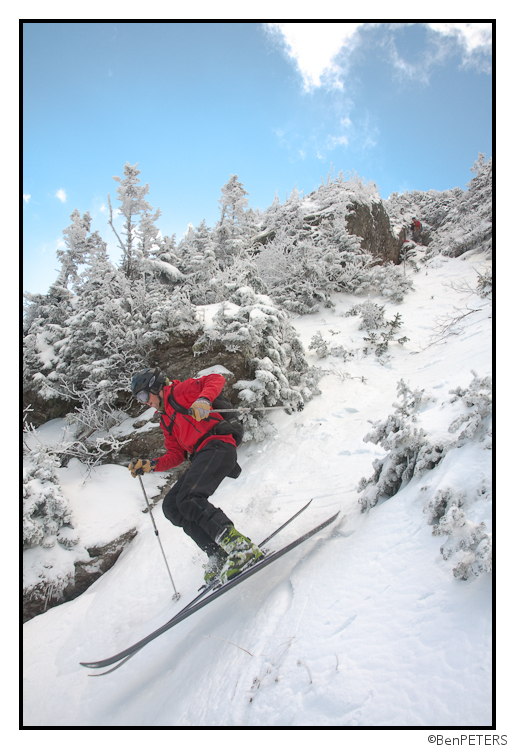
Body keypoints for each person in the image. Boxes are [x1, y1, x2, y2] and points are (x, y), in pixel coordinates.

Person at [128, 366, 262, 584]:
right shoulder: (165, 419)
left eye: (143, 395)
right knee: (172, 506)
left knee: (189, 498)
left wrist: (204, 401)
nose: (144, 402)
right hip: (202, 454)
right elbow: (176, 455)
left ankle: (240, 547)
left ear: (155, 387)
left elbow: (215, 379)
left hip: (218, 444)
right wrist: (149, 465)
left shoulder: (179, 392)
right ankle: (217, 553)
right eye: (139, 399)